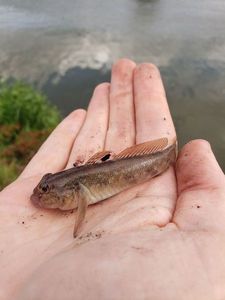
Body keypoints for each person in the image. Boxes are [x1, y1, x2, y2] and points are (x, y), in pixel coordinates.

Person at [1, 59, 225, 300]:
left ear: (71, 190)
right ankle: (169, 149)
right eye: (45, 187)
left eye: (45, 188)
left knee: (170, 154)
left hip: (150, 163)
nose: (39, 194)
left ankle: (170, 149)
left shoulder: (78, 189)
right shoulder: (74, 190)